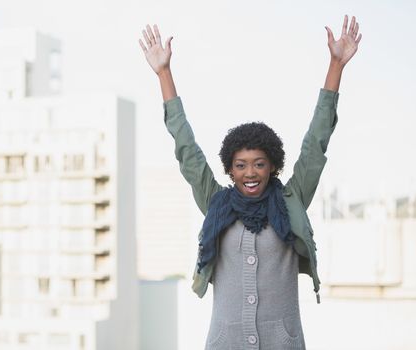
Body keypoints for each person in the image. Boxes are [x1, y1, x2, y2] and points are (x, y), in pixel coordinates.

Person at [139, 15, 362, 350]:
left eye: (259, 164)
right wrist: (164, 73)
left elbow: (316, 141)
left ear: (272, 165)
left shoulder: (291, 199)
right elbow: (187, 150)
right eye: (241, 165)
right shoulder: (216, 203)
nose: (251, 172)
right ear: (230, 170)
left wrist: (336, 65)